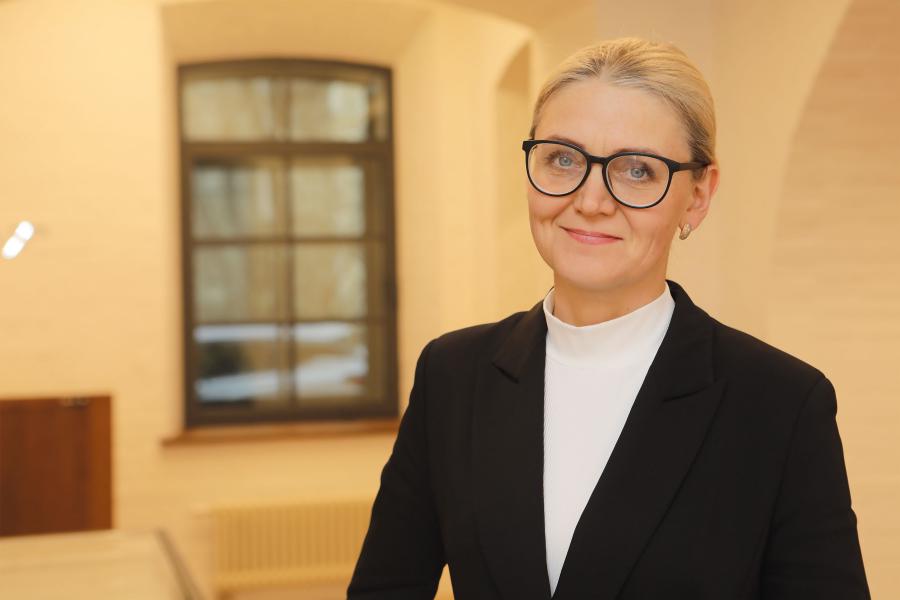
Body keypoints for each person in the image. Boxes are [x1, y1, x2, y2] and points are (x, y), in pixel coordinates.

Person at [347, 37, 870, 600]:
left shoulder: (781, 403)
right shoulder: (453, 375)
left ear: (697, 195)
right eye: (563, 159)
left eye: (637, 170)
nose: (591, 201)